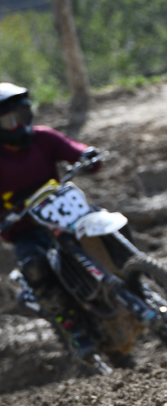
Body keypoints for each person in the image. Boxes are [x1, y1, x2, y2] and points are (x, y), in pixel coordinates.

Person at [0, 83, 102, 360]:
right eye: (9, 121)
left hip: (68, 214)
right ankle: (73, 328)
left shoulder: (43, 138)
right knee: (34, 267)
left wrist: (87, 155)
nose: (19, 126)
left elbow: (75, 149)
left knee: (107, 224)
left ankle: (137, 274)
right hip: (27, 230)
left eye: (23, 116)